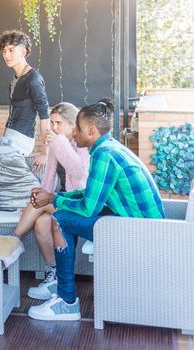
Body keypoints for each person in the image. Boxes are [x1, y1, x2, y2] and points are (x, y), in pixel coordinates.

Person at [27, 99, 165, 321]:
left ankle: (67, 302)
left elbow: (88, 208)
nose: (74, 134)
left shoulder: (104, 154)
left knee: (59, 220)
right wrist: (55, 197)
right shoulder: (109, 147)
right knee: (61, 215)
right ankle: (63, 293)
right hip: (137, 223)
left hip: (141, 232)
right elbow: (91, 196)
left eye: (78, 130)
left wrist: (54, 198)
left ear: (91, 130)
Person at [13, 102, 90, 300]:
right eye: (52, 123)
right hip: (60, 200)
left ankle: (12, 240)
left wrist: (57, 143)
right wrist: (39, 196)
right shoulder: (58, 144)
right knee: (40, 222)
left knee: (39, 203)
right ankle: (54, 273)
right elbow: (48, 181)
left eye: (58, 123)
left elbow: (79, 175)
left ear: (73, 125)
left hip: (77, 202)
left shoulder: (81, 145)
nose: (53, 128)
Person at [0, 30, 50, 169]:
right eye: (4, 51)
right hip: (9, 135)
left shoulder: (34, 79)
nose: (6, 55)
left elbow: (45, 115)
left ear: (23, 52)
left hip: (22, 138)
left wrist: (45, 152)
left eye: (11, 50)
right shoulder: (15, 78)